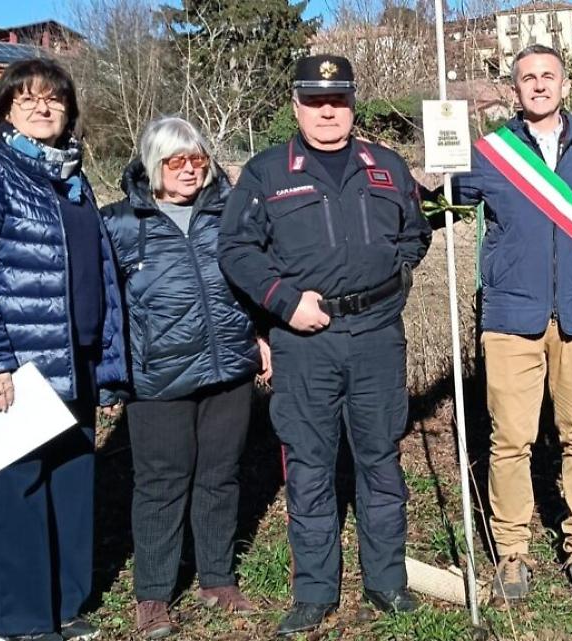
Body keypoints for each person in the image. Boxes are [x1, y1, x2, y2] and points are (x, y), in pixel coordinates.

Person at [218, 54, 432, 637]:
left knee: (380, 459)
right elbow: (236, 251)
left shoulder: (386, 165)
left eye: (337, 101)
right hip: (305, 342)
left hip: (377, 339)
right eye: (315, 101)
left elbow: (417, 231)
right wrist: (285, 303)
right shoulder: (266, 173)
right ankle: (314, 590)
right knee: (310, 467)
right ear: (296, 106)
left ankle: (386, 581)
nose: (327, 111)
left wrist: (396, 275)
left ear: (353, 104)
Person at [0, 58, 126, 641]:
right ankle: (20, 623)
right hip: (16, 369)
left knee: (71, 484)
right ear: (4, 111)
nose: (44, 108)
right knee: (17, 493)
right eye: (29, 100)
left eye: (55, 100)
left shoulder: (72, 178)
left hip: (76, 360)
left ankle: (65, 608)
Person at [443, 43, 572, 601]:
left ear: (565, 85)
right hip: (510, 319)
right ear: (514, 89)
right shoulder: (490, 152)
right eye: (528, 78)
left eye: (549, 76)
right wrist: (440, 153)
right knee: (510, 441)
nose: (540, 85)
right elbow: (440, 203)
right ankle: (513, 552)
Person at [100, 116, 271, 639]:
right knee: (161, 484)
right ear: (154, 164)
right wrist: (110, 377)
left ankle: (217, 578)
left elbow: (256, 278)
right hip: (159, 377)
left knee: (220, 476)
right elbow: (106, 306)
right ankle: (153, 594)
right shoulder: (121, 224)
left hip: (228, 370)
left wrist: (261, 336)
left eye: (198, 159)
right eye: (177, 161)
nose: (191, 170)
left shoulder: (229, 214)